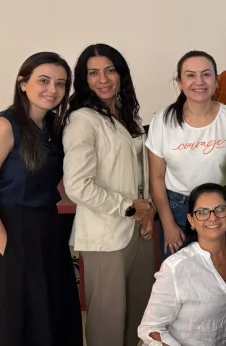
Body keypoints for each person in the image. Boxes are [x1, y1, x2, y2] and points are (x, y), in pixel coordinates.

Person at [0, 52, 83, 346]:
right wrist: (5, 245)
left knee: (51, 313)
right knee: (14, 318)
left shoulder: (54, 126)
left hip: (46, 229)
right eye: (43, 81)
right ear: (22, 83)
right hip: (7, 227)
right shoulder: (3, 126)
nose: (52, 89)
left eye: (60, 83)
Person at [62, 44, 156, 346]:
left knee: (139, 314)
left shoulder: (127, 115)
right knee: (108, 320)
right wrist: (129, 207)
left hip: (139, 229)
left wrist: (147, 210)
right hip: (106, 234)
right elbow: (77, 185)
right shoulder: (82, 120)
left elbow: (138, 172)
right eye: (93, 73)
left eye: (110, 70)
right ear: (84, 79)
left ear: (121, 74)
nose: (103, 79)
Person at [138, 183, 226, 346]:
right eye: (202, 212)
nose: (212, 217)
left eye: (220, 209)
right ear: (191, 220)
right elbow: (150, 328)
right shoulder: (175, 268)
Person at [147, 50, 226, 258]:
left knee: (221, 269)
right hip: (177, 209)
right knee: (180, 272)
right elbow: (156, 178)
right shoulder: (162, 120)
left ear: (216, 81)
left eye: (206, 74)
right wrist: (168, 224)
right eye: (190, 75)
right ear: (179, 82)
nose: (199, 81)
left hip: (220, 208)